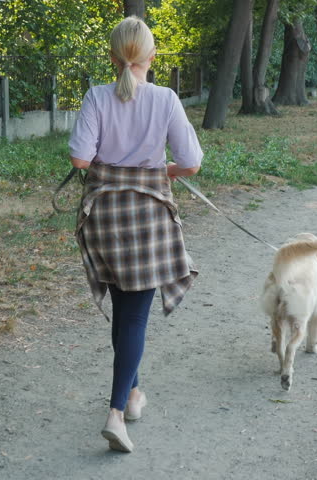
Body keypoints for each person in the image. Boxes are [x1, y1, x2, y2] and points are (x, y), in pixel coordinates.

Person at [68, 16, 203, 453]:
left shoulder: (96, 97)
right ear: (152, 56)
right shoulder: (165, 100)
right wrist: (162, 170)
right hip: (147, 219)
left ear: (112, 56)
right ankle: (115, 414)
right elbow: (191, 162)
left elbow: (80, 159)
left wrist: (115, 167)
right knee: (136, 317)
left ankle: (133, 394)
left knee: (124, 310)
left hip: (105, 217)